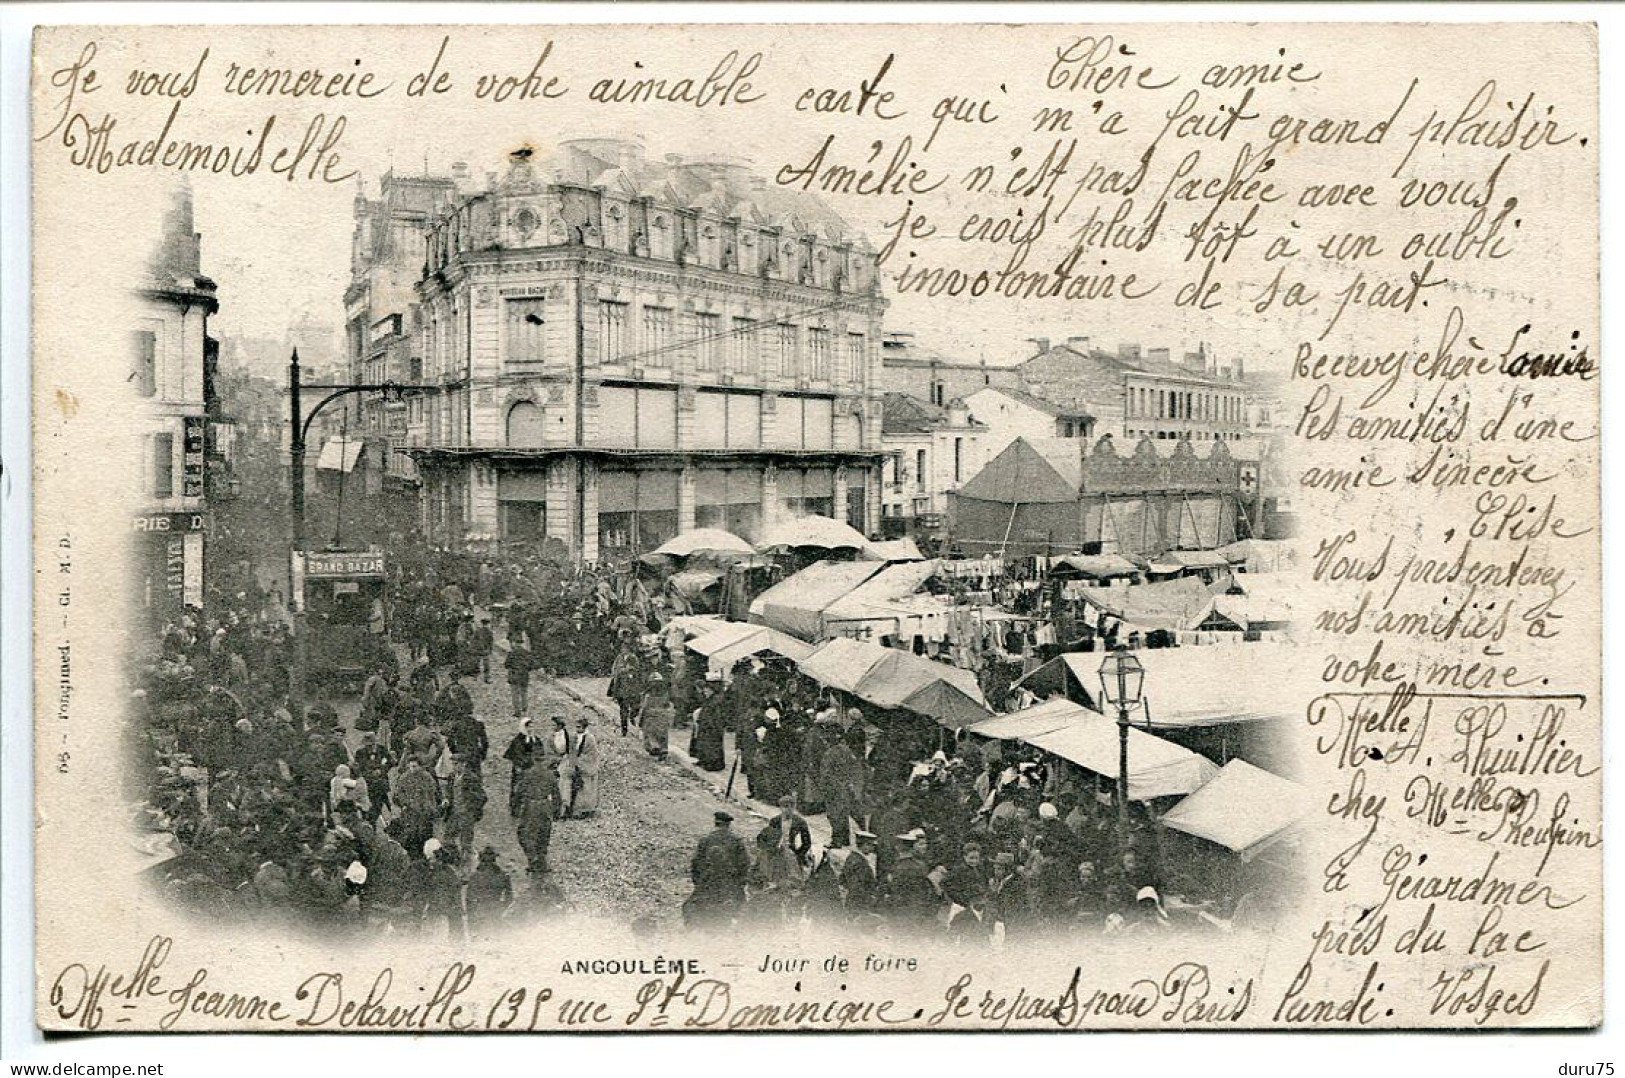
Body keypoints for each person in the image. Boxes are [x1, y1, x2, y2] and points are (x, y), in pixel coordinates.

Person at [685, 810, 749, 929]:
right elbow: (744, 864)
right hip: (730, 883)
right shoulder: (736, 841)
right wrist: (740, 883)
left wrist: (698, 881)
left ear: (716, 823)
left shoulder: (705, 840)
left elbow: (696, 863)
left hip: (708, 882)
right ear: (728, 825)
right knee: (736, 910)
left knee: (699, 907)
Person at [818, 730, 864, 849]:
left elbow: (825, 774)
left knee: (834, 815)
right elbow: (855, 767)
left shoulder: (829, 754)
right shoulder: (847, 751)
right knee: (843, 813)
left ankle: (837, 840)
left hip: (833, 789)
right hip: (846, 787)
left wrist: (823, 788)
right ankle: (845, 839)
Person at [514, 760, 560, 878]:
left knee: (525, 833)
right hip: (545, 806)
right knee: (544, 833)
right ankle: (542, 860)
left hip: (531, 806)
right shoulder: (550, 775)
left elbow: (518, 792)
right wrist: (556, 810)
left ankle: (533, 858)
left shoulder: (527, 774)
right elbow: (556, 794)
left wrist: (516, 808)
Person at [465, 846, 513, 934]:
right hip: (496, 910)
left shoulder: (475, 876)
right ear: (494, 859)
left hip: (480, 911)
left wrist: (472, 915)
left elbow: (469, 899)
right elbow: (509, 898)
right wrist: (502, 907)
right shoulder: (503, 876)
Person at [760, 795, 812, 869]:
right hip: (776, 853)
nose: (788, 809)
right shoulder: (774, 821)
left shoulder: (800, 822)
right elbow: (769, 838)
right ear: (780, 808)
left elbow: (807, 843)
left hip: (792, 853)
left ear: (794, 808)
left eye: (791, 807)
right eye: (786, 807)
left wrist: (798, 855)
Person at [503, 718, 541, 817]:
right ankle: (516, 809)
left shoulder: (535, 739)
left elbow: (540, 752)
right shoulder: (518, 740)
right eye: (528, 726)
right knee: (518, 788)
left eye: (532, 726)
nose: (531, 729)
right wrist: (522, 764)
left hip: (532, 767)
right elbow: (516, 754)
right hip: (520, 767)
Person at [571, 716, 601, 818]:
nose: (577, 729)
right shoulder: (574, 737)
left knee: (586, 788)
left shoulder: (590, 738)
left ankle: (586, 810)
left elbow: (592, 754)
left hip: (587, 766)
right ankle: (577, 809)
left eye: (579, 727)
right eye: (576, 727)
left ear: (584, 727)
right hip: (577, 764)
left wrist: (580, 761)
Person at [640, 673, 673, 760]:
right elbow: (669, 706)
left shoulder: (648, 694)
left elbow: (644, 707)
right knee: (663, 734)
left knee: (651, 733)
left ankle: (654, 747)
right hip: (663, 715)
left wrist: (641, 719)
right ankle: (663, 749)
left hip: (651, 716)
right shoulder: (666, 693)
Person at [505, 637, 533, 718]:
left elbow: (506, 665)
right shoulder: (527, 653)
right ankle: (524, 708)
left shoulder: (511, 653)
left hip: (514, 675)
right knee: (524, 692)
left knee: (515, 694)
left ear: (515, 643)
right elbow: (531, 665)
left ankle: (517, 711)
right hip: (524, 675)